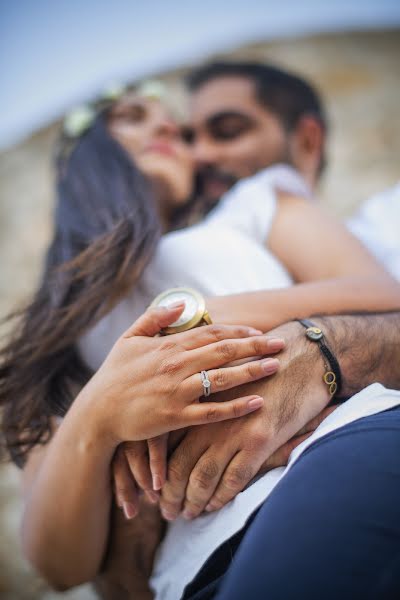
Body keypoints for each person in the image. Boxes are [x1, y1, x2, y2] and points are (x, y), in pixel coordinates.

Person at [1, 88, 399, 600]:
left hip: (329, 460)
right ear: (77, 161)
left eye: (178, 129)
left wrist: (189, 327)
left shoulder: (253, 205)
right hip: (191, 576)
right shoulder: (56, 340)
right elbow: (61, 562)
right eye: (133, 117)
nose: (168, 130)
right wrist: (99, 416)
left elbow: (383, 297)